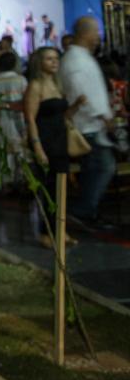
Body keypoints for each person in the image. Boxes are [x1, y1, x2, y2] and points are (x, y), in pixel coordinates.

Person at [24, 48, 85, 247]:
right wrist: (37, 147)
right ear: (39, 62)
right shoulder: (35, 86)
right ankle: (46, 232)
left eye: (56, 58)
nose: (54, 62)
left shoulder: (57, 84)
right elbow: (30, 118)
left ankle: (60, 230)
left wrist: (76, 105)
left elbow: (63, 115)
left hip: (60, 140)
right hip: (45, 141)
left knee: (61, 187)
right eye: (49, 59)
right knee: (49, 189)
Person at [60, 16, 116, 229]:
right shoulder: (76, 60)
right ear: (85, 33)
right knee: (103, 167)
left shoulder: (81, 57)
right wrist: (102, 114)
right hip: (88, 125)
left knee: (95, 169)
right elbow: (81, 93)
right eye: (95, 32)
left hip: (93, 124)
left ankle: (88, 210)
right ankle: (82, 210)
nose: (98, 37)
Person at [0, 51, 28, 187]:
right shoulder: (21, 80)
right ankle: (21, 179)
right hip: (18, 119)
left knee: (5, 150)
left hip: (1, 120)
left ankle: (6, 180)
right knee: (20, 150)